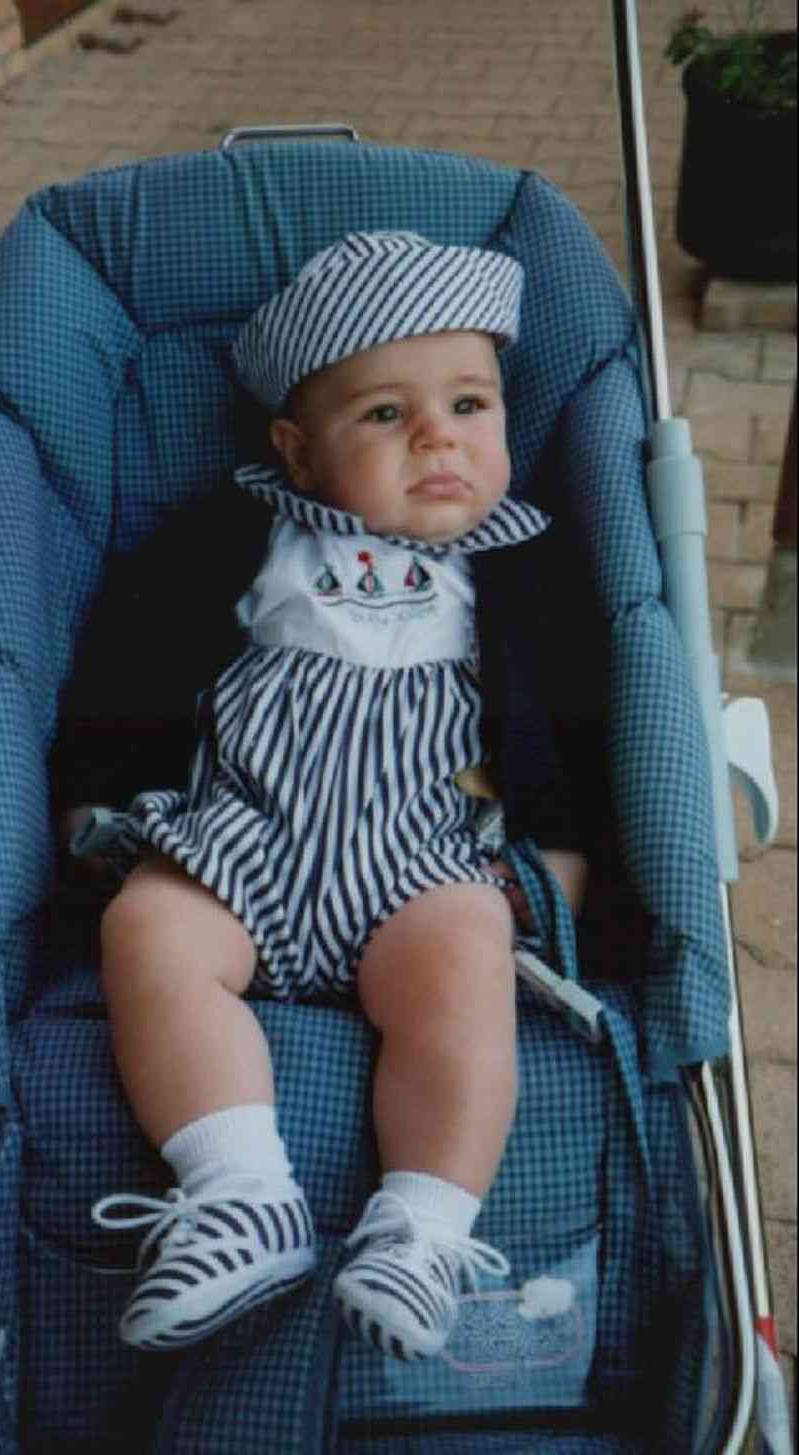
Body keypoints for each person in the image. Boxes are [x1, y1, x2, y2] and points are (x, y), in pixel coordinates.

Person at [57, 231, 588, 1363]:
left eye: (469, 404)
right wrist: (97, 796)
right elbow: (128, 659)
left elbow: (577, 725)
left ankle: (422, 1229)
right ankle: (238, 1197)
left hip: (418, 859)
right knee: (147, 929)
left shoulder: (526, 569)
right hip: (238, 839)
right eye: (386, 415)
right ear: (298, 454)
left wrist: (564, 853)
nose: (438, 436)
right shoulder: (234, 539)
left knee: (467, 954)